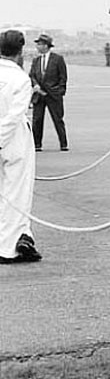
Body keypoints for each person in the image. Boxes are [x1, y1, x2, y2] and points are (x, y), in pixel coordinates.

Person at [0, 30, 42, 264]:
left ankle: (19, 240)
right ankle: (8, 249)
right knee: (16, 195)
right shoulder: (20, 79)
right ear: (20, 52)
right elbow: (14, 117)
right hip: (13, 142)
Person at [29, 34, 69, 152]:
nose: (37, 46)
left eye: (39, 44)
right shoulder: (36, 60)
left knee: (58, 119)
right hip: (39, 95)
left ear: (46, 46)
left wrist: (60, 91)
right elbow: (32, 75)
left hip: (53, 94)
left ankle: (63, 143)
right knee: (37, 120)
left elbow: (63, 76)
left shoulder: (57, 59)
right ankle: (37, 144)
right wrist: (35, 84)